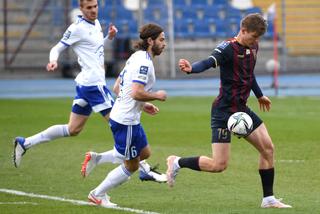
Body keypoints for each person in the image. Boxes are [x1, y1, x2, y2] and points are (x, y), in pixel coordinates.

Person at [12, 0, 165, 183]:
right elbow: (58, 47)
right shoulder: (76, 28)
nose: (93, 10)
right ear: (81, 9)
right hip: (94, 86)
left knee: (73, 129)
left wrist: (108, 38)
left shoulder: (97, 24)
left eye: (95, 6)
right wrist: (54, 60)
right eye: (89, 8)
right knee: (122, 123)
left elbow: (92, 48)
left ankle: (25, 142)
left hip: (85, 84)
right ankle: (143, 168)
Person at [166, 13, 292, 209]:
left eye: (258, 38)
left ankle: (268, 199)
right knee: (219, 165)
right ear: (243, 31)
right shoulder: (227, 48)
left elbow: (249, 75)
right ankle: (176, 162)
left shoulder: (253, 47)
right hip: (224, 112)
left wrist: (259, 95)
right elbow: (208, 61)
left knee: (268, 149)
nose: (255, 42)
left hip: (242, 110)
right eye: (253, 37)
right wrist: (191, 69)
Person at [86, 23, 167, 207]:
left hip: (128, 118)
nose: (165, 44)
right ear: (150, 40)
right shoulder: (144, 63)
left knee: (144, 153)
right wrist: (156, 96)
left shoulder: (136, 56)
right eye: (161, 40)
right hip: (126, 121)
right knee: (132, 165)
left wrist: (143, 104)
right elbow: (136, 92)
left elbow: (117, 87)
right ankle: (97, 194)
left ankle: (97, 158)